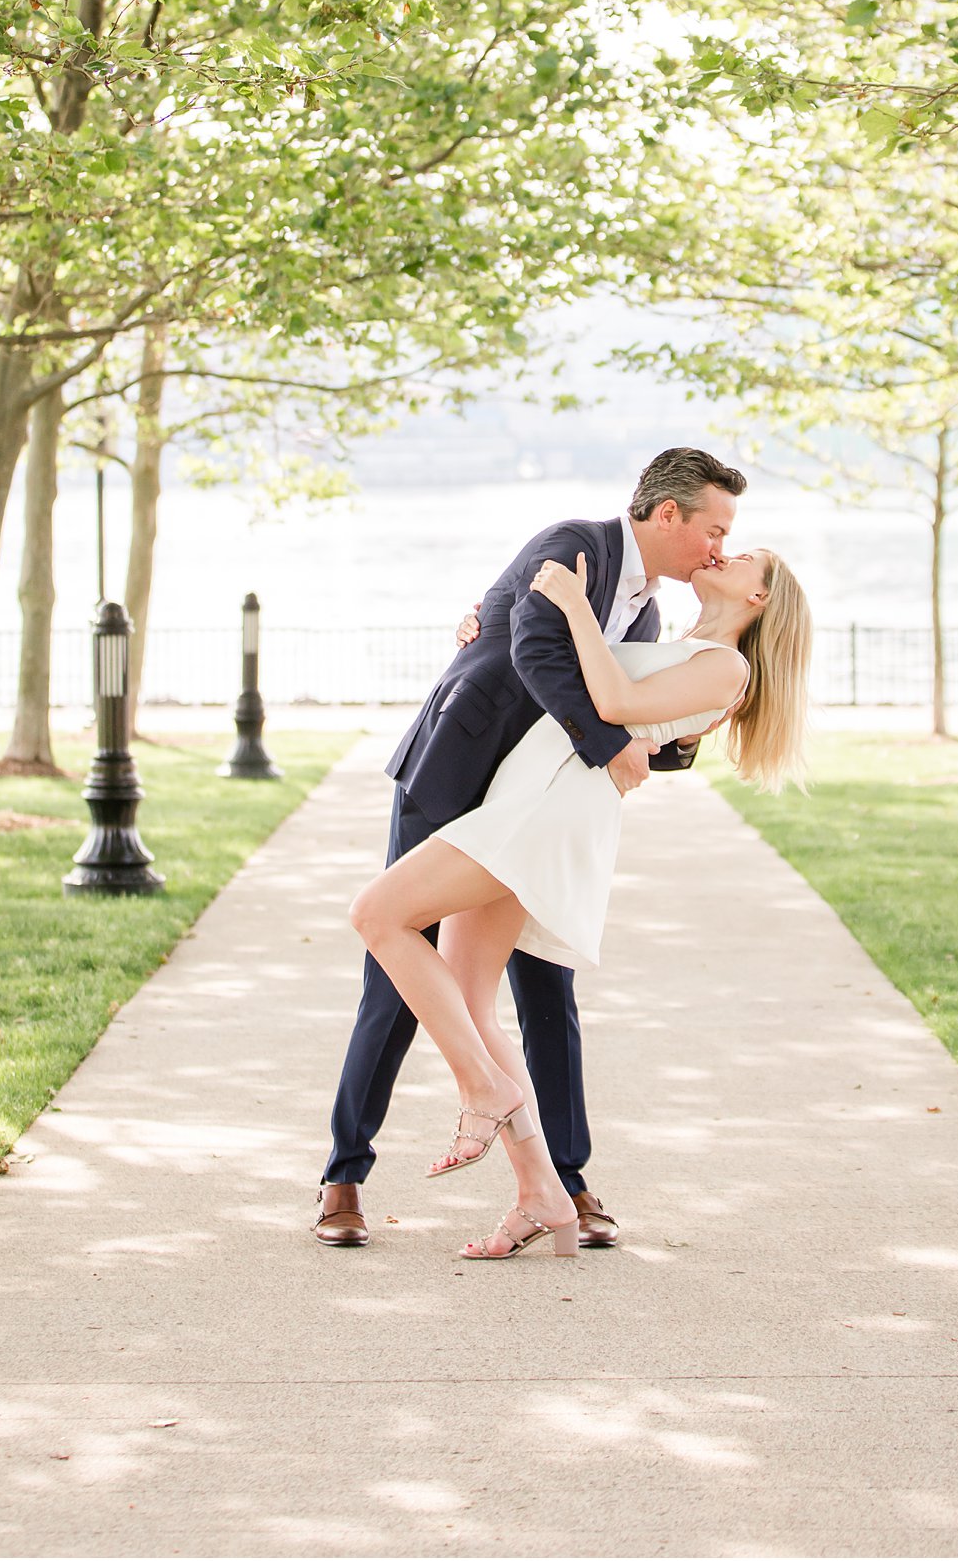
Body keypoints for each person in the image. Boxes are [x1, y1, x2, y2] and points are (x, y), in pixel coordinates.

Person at [313, 447, 747, 1249]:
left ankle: (565, 1184)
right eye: (714, 529)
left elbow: (649, 714)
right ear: (667, 515)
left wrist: (646, 740)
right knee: (394, 982)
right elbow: (534, 654)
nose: (718, 547)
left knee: (547, 994)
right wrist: (608, 740)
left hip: (532, 808)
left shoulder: (650, 616)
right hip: (453, 776)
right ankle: (345, 1173)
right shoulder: (574, 544)